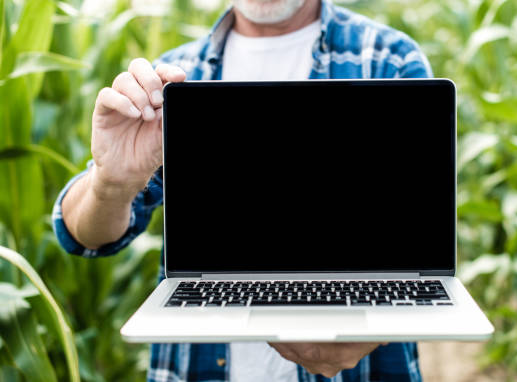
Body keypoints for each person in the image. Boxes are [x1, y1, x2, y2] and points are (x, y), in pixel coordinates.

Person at [53, 0, 433, 380]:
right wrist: (111, 183)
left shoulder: (390, 60)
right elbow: (85, 237)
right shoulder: (172, 81)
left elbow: (421, 255)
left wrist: (370, 332)